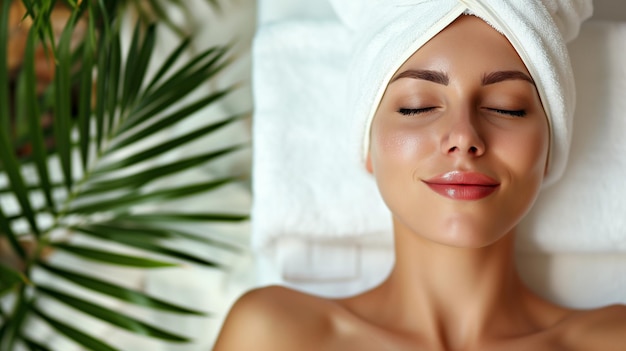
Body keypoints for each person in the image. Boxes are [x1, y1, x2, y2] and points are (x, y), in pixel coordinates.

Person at [214, 2, 626, 350]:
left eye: (507, 107)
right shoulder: (277, 336)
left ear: (550, 147)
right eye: (416, 107)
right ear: (368, 148)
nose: (464, 137)